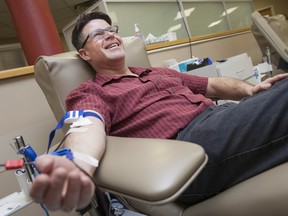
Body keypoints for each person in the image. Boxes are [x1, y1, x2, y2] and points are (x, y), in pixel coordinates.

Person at [30, 11, 288, 212]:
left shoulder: (157, 73)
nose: (109, 35)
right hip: (192, 150)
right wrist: (80, 165)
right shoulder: (91, 92)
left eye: (111, 30)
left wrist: (251, 90)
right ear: (84, 54)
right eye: (98, 34)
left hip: (223, 119)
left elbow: (212, 85)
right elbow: (86, 126)